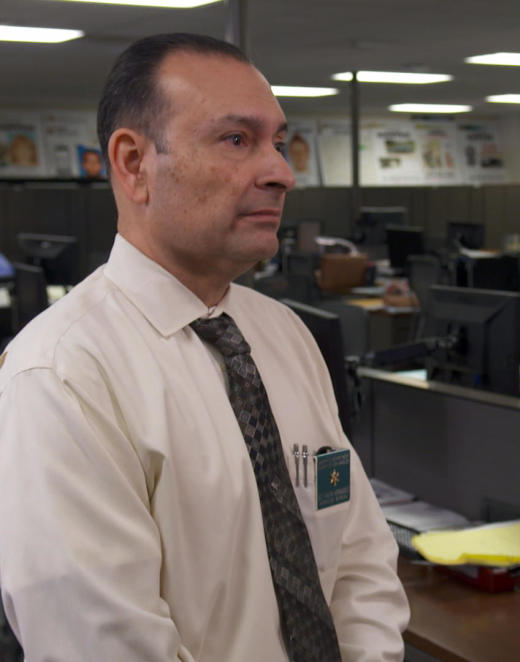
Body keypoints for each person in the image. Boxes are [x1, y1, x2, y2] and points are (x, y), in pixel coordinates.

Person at [0, 33, 408, 661]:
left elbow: (359, 559)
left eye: (275, 141)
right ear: (135, 164)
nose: (281, 171)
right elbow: (103, 644)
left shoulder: (285, 335)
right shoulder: (61, 375)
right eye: (236, 139)